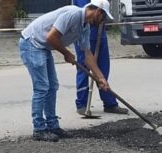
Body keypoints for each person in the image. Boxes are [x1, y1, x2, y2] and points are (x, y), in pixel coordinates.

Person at [19, 0, 114, 142]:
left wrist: (101, 78)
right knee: (42, 87)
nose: (102, 22)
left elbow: (88, 56)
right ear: (98, 11)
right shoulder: (73, 13)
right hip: (31, 43)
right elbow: (51, 37)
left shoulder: (85, 27)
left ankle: (52, 125)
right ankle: (39, 129)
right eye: (103, 18)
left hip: (43, 47)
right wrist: (66, 53)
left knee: (52, 86)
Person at [72, 0, 128, 115]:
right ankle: (82, 104)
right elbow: (86, 11)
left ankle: (109, 103)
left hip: (100, 33)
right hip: (84, 33)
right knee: (84, 68)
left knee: (103, 70)